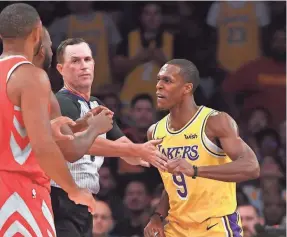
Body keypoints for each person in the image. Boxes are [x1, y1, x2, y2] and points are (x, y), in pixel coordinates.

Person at [35, 32, 168, 237]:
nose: (84, 65)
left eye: (88, 59)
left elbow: (125, 149)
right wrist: (135, 149)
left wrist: (155, 153)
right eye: (75, 61)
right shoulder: (60, 102)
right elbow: (84, 145)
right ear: (60, 69)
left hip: (85, 200)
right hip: (59, 198)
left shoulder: (97, 104)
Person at [0, 3, 105, 237]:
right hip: (20, 193)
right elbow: (43, 146)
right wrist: (74, 189)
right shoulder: (30, 75)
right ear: (37, 33)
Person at [144, 59, 260, 237]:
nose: (159, 86)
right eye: (158, 80)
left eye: (167, 80)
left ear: (187, 88)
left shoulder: (215, 122)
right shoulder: (155, 132)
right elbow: (172, 184)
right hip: (176, 227)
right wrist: (157, 215)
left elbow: (251, 167)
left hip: (215, 225)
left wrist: (196, 170)